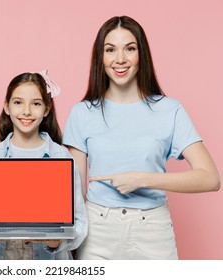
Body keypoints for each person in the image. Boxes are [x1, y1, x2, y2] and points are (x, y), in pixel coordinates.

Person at [63, 15, 220, 260]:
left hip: (153, 231)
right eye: (110, 50)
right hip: (98, 231)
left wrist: (142, 179)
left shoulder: (170, 110)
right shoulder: (82, 113)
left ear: (141, 55)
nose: (120, 59)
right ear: (100, 57)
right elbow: (75, 192)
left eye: (130, 48)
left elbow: (210, 178)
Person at [0, 71, 88, 260]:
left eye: (36, 103)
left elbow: (80, 223)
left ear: (46, 109)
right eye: (18, 102)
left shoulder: (61, 157)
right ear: (6, 106)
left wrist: (56, 241)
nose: (26, 111)